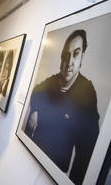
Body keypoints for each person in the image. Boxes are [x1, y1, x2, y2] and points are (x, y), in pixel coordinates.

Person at [25, 30, 99, 185]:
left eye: (76, 54)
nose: (70, 61)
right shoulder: (52, 80)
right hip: (31, 154)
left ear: (82, 57)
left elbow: (87, 148)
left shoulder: (87, 91)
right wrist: (36, 110)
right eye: (66, 55)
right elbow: (35, 92)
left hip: (55, 171)